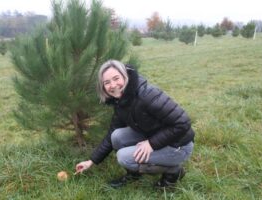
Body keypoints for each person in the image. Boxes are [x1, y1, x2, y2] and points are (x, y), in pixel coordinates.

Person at [75, 60, 195, 189]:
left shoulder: (147, 95)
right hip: (155, 136)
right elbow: (111, 134)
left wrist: (151, 144)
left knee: (124, 157)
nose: (113, 85)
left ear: (125, 76)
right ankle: (134, 174)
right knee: (117, 136)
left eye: (116, 78)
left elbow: (183, 123)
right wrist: (91, 161)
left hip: (179, 145)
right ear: (103, 87)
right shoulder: (121, 101)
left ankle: (173, 172)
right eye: (107, 82)